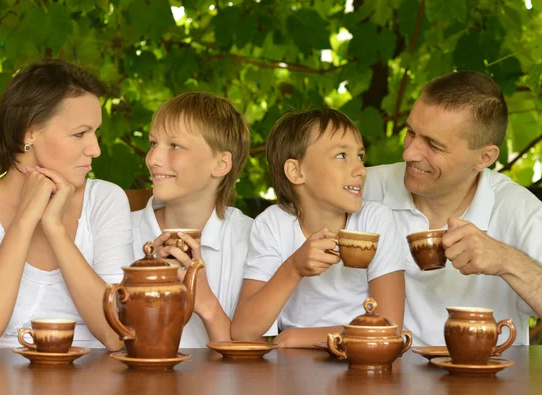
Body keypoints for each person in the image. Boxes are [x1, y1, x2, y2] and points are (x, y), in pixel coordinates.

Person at [0, 60, 133, 354]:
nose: (94, 149)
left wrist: (55, 230)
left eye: (95, 132)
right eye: (80, 133)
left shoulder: (105, 200)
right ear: (28, 133)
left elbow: (116, 333)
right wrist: (25, 220)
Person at [363, 71, 542, 346]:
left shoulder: (519, 209)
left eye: (433, 144)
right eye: (411, 132)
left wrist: (505, 260)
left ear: (484, 157)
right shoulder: (363, 189)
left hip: (485, 385)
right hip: (379, 379)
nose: (409, 153)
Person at [231, 108, 406, 347]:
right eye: (342, 156)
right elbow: (243, 331)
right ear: (296, 171)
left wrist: (298, 337)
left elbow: (389, 328)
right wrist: (293, 268)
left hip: (360, 363)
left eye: (360, 157)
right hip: (293, 368)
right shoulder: (273, 224)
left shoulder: (375, 219)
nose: (361, 170)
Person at [131, 92, 252, 347]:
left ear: (220, 164)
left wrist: (205, 302)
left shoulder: (253, 239)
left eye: (175, 146)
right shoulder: (118, 230)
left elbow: (250, 365)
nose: (152, 159)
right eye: (153, 143)